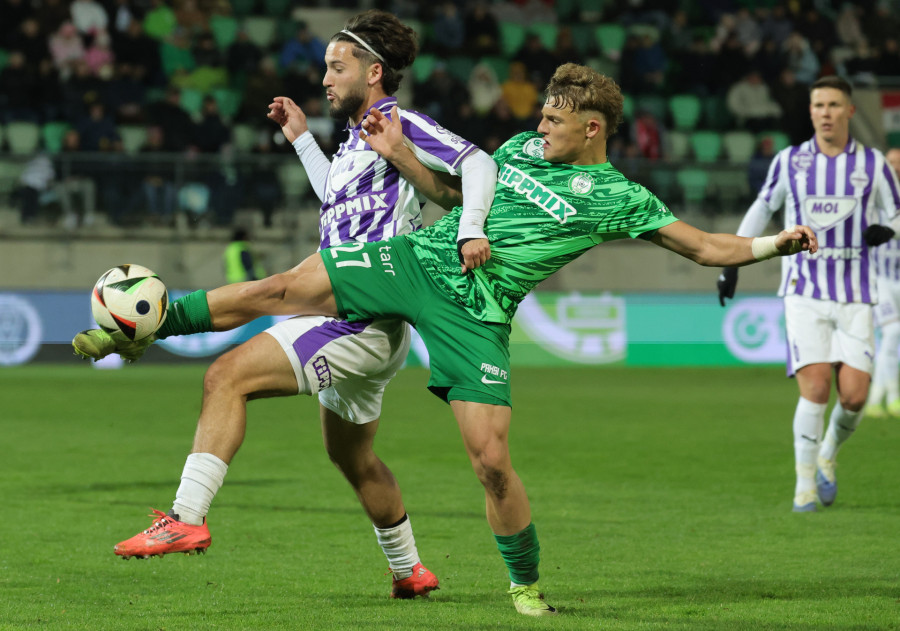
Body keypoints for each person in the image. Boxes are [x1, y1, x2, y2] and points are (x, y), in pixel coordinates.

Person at [74, 62, 816, 616]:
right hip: (421, 261)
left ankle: (524, 582)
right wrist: (404, 159)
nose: (541, 126)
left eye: (556, 119)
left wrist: (777, 244)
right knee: (286, 286)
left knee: (491, 461)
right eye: (544, 116)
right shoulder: (522, 150)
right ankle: (154, 319)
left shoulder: (621, 197)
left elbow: (707, 247)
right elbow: (452, 194)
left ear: (592, 127)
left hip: (479, 314)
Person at [74, 10, 496, 604]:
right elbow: (336, 196)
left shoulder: (397, 121)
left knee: (229, 370)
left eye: (336, 67)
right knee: (353, 456)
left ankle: (185, 513)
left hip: (361, 307)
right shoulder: (359, 138)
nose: (324, 78)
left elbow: (478, 162)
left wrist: (469, 228)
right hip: (360, 317)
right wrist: (301, 138)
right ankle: (410, 570)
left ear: (374, 73)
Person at [717, 76, 900, 512]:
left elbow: (896, 212)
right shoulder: (790, 161)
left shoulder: (873, 164)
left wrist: (887, 229)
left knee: (854, 396)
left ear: (849, 111)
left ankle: (828, 453)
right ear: (811, 111)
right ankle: (804, 488)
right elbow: (763, 207)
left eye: (834, 104)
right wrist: (733, 260)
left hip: (856, 293)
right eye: (818, 104)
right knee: (816, 388)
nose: (825, 112)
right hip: (804, 291)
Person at [865, 147, 900, 418]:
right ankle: (894, 396)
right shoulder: (873, 200)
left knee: (892, 338)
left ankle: (876, 398)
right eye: (891, 163)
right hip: (882, 279)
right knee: (892, 333)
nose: (895, 167)